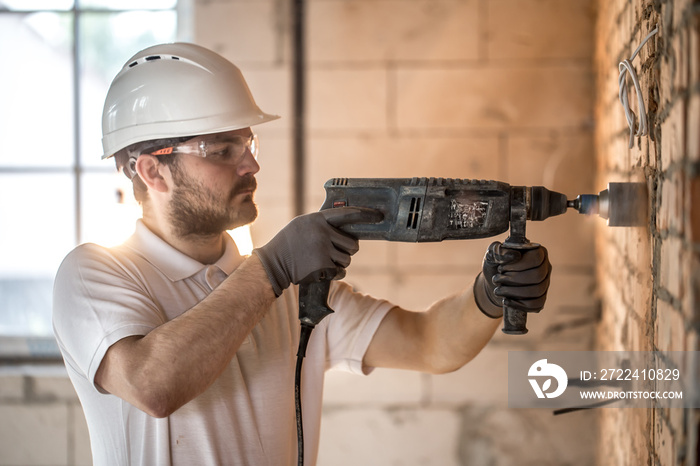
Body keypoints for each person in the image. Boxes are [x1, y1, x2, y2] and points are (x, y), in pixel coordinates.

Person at [53, 43, 551, 466]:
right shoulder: (95, 275)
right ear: (151, 172)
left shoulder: (295, 290)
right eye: (221, 150)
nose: (251, 164)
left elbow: (428, 343)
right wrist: (272, 267)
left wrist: (488, 294)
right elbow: (151, 384)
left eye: (248, 142)